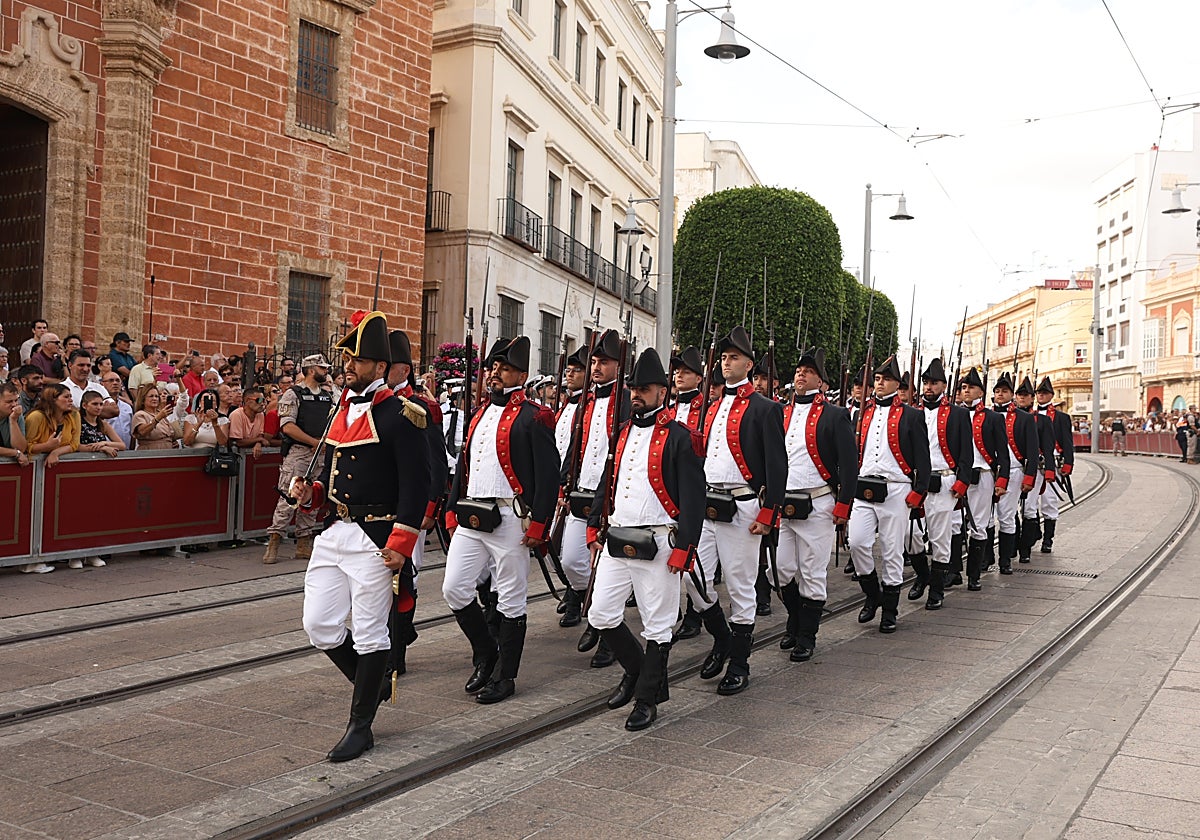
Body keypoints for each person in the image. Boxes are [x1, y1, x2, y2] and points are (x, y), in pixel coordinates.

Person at [288, 311, 430, 762]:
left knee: (370, 632)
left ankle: (360, 724)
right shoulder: (338, 407)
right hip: (337, 529)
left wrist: (402, 544)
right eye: (347, 358)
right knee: (319, 624)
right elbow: (332, 473)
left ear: (380, 364)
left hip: (377, 535)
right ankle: (372, 684)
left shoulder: (401, 414)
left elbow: (418, 483)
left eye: (358, 360)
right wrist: (309, 492)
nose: (348, 367)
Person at [583, 348, 702, 730]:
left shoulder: (681, 437)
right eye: (634, 387)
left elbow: (694, 498)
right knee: (600, 612)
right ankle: (637, 671)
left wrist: (685, 547)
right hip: (618, 536)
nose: (637, 394)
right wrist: (593, 523)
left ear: (662, 392)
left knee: (658, 623)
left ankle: (647, 698)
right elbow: (609, 481)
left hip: (661, 540)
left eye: (645, 388)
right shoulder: (621, 432)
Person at [442, 336, 559, 705]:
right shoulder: (478, 413)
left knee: (510, 597)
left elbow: (549, 475)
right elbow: (465, 466)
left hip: (512, 518)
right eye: (493, 366)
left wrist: (540, 523)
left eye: (504, 368)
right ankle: (486, 652)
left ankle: (506, 675)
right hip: (472, 513)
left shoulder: (534, 416)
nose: (495, 373)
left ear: (521, 375)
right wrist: (451, 506)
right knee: (454, 589)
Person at [687, 326, 786, 696]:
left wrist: (769, 511)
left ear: (749, 364)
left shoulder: (765, 408)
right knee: (691, 576)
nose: (727, 363)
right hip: (706, 503)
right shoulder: (709, 408)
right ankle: (722, 638)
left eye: (734, 358)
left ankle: (740, 662)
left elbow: (777, 465)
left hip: (743, 506)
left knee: (741, 587)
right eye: (724, 358)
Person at [775, 348, 857, 661]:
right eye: (798, 370)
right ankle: (795, 618)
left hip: (818, 502)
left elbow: (849, 464)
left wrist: (844, 505)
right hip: (784, 503)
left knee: (812, 571)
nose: (800, 374)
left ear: (821, 382)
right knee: (780, 570)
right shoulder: (779, 412)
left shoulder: (835, 415)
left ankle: (806, 635)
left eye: (808, 371)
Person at [558, 330, 629, 665]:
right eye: (595, 361)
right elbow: (577, 444)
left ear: (620, 364)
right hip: (581, 491)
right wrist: (563, 484)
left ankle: (606, 629)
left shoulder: (627, 400)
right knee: (571, 560)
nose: (597, 367)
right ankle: (591, 602)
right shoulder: (585, 401)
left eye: (605, 361)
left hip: (611, 497)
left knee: (604, 565)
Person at [847, 355, 931, 634]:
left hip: (896, 488)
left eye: (885, 379)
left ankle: (890, 610)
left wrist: (918, 492)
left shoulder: (912, 415)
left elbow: (923, 459)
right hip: (863, 486)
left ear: (897, 383)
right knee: (857, 542)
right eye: (877, 379)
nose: (879, 383)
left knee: (892, 550)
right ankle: (872, 594)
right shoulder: (862, 412)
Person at [385, 331, 446, 676]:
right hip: (378, 506)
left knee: (405, 577)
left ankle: (397, 653)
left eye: (388, 365)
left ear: (404, 369)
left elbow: (436, 462)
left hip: (411, 506)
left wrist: (429, 507)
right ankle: (397, 636)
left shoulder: (423, 406)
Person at [265, 355, 334, 565]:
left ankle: (304, 542)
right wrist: (313, 442)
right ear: (311, 369)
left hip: (319, 453)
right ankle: (274, 539)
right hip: (299, 452)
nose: (326, 372)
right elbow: (287, 426)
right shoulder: (292, 394)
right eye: (322, 368)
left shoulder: (327, 396)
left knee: (312, 496)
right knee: (289, 496)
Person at [917, 358, 974, 609]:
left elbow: (966, 452)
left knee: (940, 537)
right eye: (926, 382)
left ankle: (936, 589)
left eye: (935, 383)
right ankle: (922, 575)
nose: (929, 387)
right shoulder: (912, 412)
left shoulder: (959, 414)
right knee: (913, 538)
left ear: (944, 385)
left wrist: (962, 482)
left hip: (944, 479)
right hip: (915, 482)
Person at [956, 367, 1010, 591]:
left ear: (981, 392)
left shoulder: (993, 417)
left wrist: (1002, 481)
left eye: (971, 388)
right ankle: (952, 571)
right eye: (964, 387)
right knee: (954, 525)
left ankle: (974, 574)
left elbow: (1002, 454)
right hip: (957, 476)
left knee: (978, 526)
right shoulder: (954, 414)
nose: (966, 391)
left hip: (983, 475)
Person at [991, 373, 1039, 576]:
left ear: (1011, 395)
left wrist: (1029, 478)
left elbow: (1032, 451)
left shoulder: (1025, 418)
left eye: (1004, 392)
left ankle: (1005, 560)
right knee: (984, 518)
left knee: (1007, 516)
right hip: (989, 472)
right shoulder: (986, 415)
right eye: (997, 391)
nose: (1000, 395)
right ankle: (985, 558)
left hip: (1014, 471)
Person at [1032, 377, 1074, 553]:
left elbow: (1067, 442)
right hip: (1033, 463)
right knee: (1030, 502)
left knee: (1049, 501)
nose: (1041, 395)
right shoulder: (1029, 415)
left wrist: (1068, 463)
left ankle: (1048, 539)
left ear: (1051, 395)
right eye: (1039, 393)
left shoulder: (1062, 417)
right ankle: (1033, 534)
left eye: (1045, 393)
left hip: (1052, 463)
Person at [25, 383, 80, 467]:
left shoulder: (74, 415)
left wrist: (55, 453)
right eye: (66, 397)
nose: (71, 400)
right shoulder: (36, 416)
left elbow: (75, 444)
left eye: (70, 396)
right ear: (52, 399)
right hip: (35, 466)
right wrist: (46, 446)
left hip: (62, 464)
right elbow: (26, 446)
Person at [131, 384, 180, 450]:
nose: (155, 398)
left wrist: (172, 442)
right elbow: (142, 431)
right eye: (151, 396)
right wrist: (158, 418)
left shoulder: (161, 414)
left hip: (167, 453)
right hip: (150, 453)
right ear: (143, 400)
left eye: (156, 396)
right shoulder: (140, 415)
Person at [668, 346, 705, 432]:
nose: (679, 375)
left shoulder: (705, 409)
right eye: (677, 372)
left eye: (686, 372)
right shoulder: (670, 409)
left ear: (698, 379)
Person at [229, 386, 273, 457]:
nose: (262, 404)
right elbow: (239, 442)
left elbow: (260, 434)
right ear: (247, 400)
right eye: (259, 400)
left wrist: (258, 443)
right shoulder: (236, 415)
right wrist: (260, 440)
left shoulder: (260, 414)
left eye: (263, 400)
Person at [0, 380, 29, 465]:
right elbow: (19, 451)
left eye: (16, 400)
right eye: (9, 402)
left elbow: (21, 447)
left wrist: (13, 421)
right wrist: (16, 453)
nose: (14, 405)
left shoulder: (16, 415)